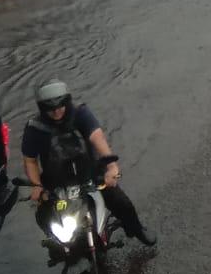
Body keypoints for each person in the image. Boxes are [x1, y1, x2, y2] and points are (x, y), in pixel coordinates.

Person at [21, 78, 156, 247]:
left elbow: (97, 137)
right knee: (42, 215)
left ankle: (136, 228)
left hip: (91, 175)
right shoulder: (35, 128)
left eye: (60, 107)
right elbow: (30, 160)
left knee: (121, 202)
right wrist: (36, 185)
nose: (57, 112)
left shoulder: (81, 114)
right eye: (51, 109)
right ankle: (56, 241)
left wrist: (111, 166)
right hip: (56, 183)